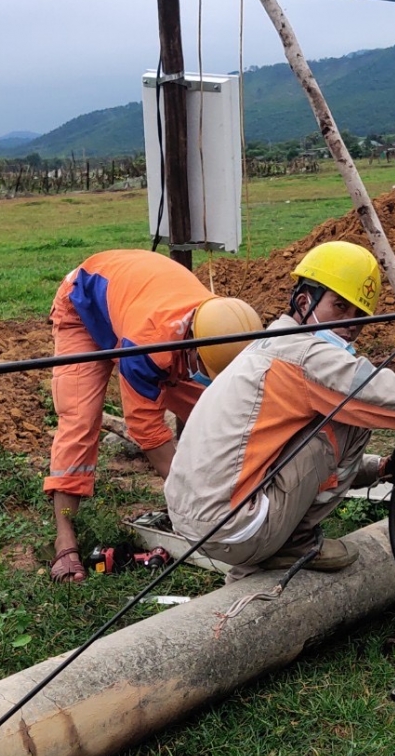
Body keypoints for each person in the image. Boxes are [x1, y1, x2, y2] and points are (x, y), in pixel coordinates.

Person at [164, 241, 395, 583]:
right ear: (304, 301)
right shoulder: (309, 357)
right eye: (339, 306)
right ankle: (292, 544)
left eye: (359, 316)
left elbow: (279, 453)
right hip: (235, 528)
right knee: (352, 417)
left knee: (336, 411)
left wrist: (379, 469)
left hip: (196, 520)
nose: (349, 324)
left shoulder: (269, 346)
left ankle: (263, 553)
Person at [45, 249, 262, 583]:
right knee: (81, 420)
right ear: (192, 345)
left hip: (137, 304)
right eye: (206, 368)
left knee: (218, 408)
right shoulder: (145, 350)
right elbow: (149, 434)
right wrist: (195, 506)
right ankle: (65, 538)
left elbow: (231, 406)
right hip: (84, 305)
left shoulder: (222, 324)